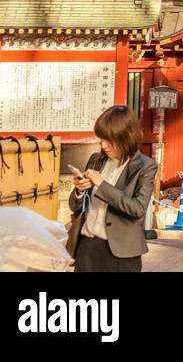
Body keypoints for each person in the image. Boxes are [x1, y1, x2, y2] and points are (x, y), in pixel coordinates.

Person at [69, 105, 158, 272]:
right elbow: (76, 208)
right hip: (87, 247)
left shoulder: (145, 166)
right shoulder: (96, 160)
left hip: (121, 254)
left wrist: (102, 185)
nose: (103, 145)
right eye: (101, 139)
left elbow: (137, 209)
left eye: (108, 139)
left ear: (125, 136)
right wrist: (80, 191)